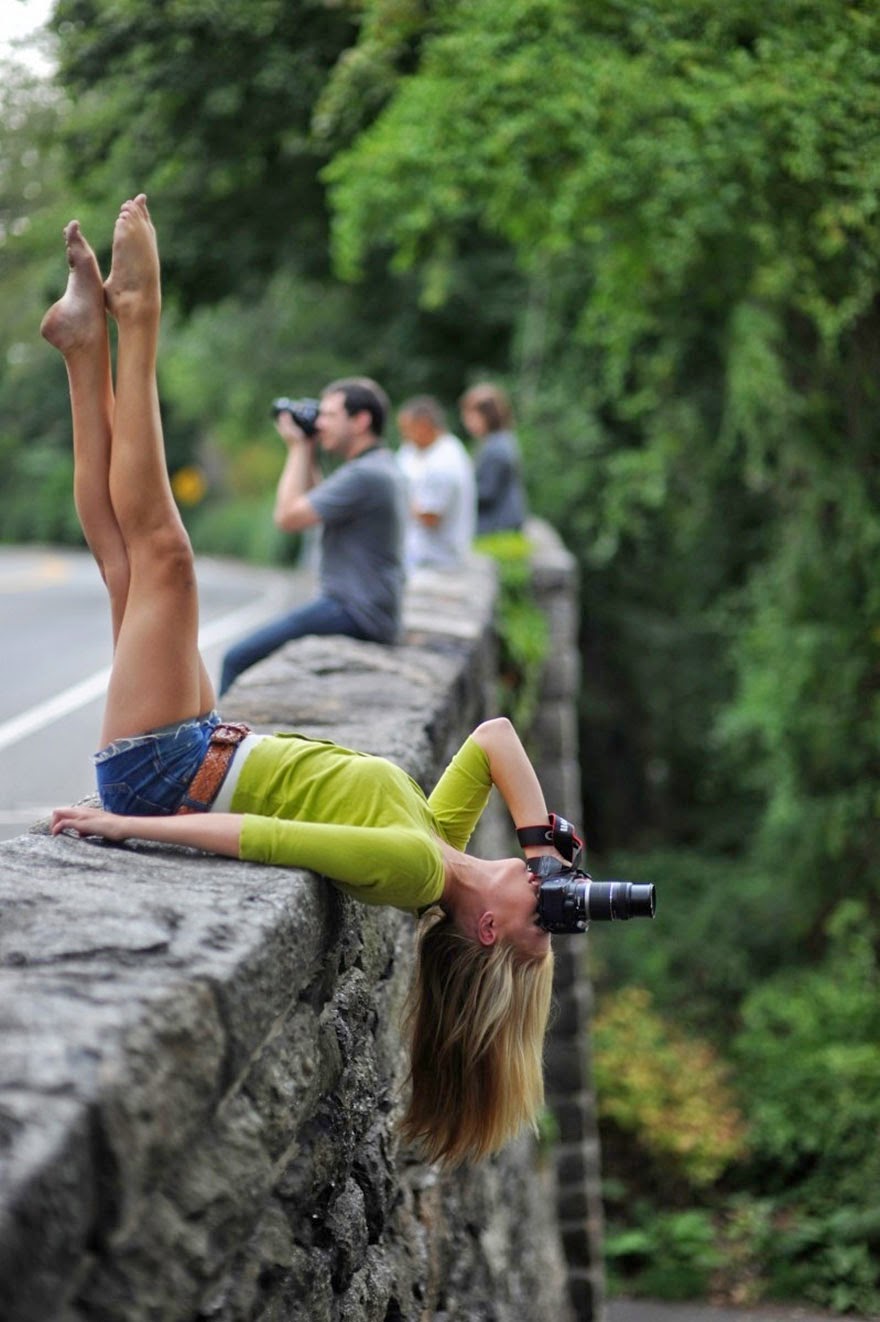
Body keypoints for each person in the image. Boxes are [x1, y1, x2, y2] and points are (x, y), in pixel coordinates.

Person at [41, 196, 571, 1167]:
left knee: (165, 555)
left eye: (540, 916)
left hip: (167, 771)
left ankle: (136, 320)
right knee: (126, 560)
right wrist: (542, 839)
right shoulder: (439, 841)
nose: (547, 891)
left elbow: (263, 836)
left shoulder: (413, 873)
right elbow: (494, 732)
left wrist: (123, 826)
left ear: (490, 926)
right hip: (198, 742)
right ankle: (82, 347)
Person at [218, 375, 406, 695]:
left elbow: (288, 517)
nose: (320, 424)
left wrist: (295, 448)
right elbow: (317, 505)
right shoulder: (378, 466)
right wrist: (307, 448)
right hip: (369, 607)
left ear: (361, 421)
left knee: (236, 659)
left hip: (354, 610)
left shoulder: (365, 474)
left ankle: (221, 745)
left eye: (330, 415)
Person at [396, 395, 476, 570]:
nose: (404, 436)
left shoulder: (443, 463)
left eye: (407, 429)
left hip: (435, 559)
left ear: (424, 425)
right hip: (419, 552)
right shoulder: (418, 449)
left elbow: (430, 517)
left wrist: (396, 497)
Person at [458, 382, 527, 535]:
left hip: (498, 526)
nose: (466, 421)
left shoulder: (495, 447)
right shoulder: (500, 440)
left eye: (469, 415)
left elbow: (486, 492)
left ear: (485, 415)